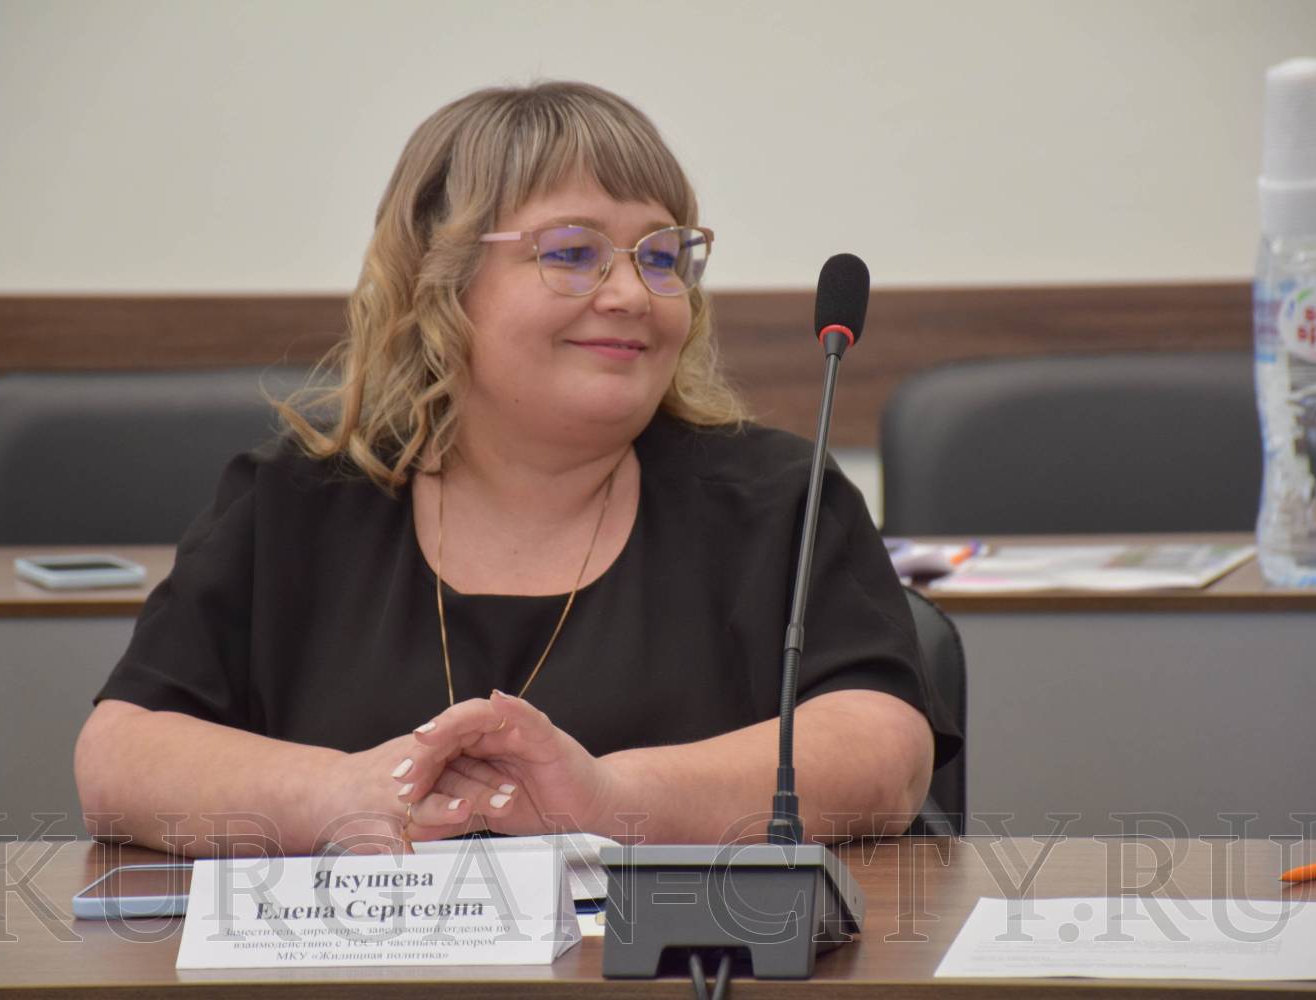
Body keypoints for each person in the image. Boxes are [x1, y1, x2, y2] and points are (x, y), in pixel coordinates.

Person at [74, 81, 961, 857]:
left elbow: (884, 750)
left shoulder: (776, 500)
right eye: (572, 253)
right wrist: (338, 796)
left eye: (661, 256)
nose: (632, 293)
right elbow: (120, 755)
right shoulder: (293, 501)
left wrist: (609, 802)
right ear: (441, 281)